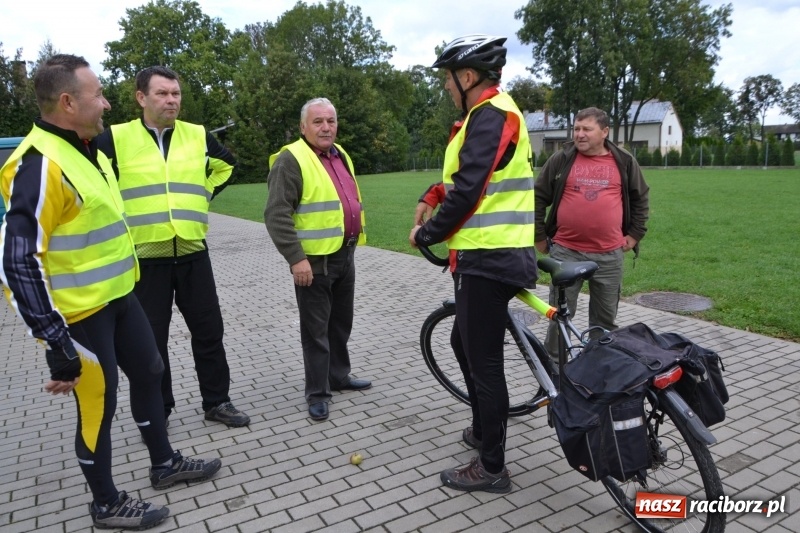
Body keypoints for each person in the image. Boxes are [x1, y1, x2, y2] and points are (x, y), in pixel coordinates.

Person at [0, 54, 221, 530]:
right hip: (80, 314)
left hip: (120, 296)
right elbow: (17, 260)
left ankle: (163, 464)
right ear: (67, 101)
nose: (105, 103)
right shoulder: (40, 165)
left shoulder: (88, 151)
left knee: (150, 369)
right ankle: (105, 502)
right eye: (97, 94)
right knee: (99, 405)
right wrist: (55, 341)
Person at [409, 35, 537, 493]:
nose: (445, 86)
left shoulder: (491, 115)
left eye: (447, 77)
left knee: (484, 364)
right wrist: (431, 195)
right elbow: (466, 178)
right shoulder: (483, 118)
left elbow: (469, 192)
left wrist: (427, 233)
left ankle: (492, 467)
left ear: (467, 77)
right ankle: (484, 431)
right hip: (487, 255)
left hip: (490, 258)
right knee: (465, 345)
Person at [96, 66, 249, 428]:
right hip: (144, 258)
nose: (171, 100)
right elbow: (95, 183)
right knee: (151, 343)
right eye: (163, 93)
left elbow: (227, 165)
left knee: (210, 333)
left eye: (176, 94)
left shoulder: (197, 135)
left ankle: (217, 401)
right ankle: (158, 411)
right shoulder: (114, 139)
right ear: (141, 98)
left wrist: (203, 193)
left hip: (194, 252)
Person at [265, 97, 371, 422]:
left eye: (331, 121)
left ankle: (339, 376)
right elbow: (276, 213)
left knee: (340, 324)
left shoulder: (340, 156)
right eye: (318, 121)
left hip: (344, 254)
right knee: (316, 331)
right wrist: (296, 259)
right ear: (303, 127)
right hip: (313, 262)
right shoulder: (291, 160)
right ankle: (318, 392)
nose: (326, 127)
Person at [534, 106, 649, 358]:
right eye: (576, 129)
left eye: (587, 129)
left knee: (605, 320)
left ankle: (598, 366)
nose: (580, 134)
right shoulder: (561, 159)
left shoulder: (624, 161)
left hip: (609, 255)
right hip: (566, 251)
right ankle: (553, 369)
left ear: (604, 132)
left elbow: (640, 198)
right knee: (559, 315)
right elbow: (538, 197)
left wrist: (635, 233)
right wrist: (539, 236)